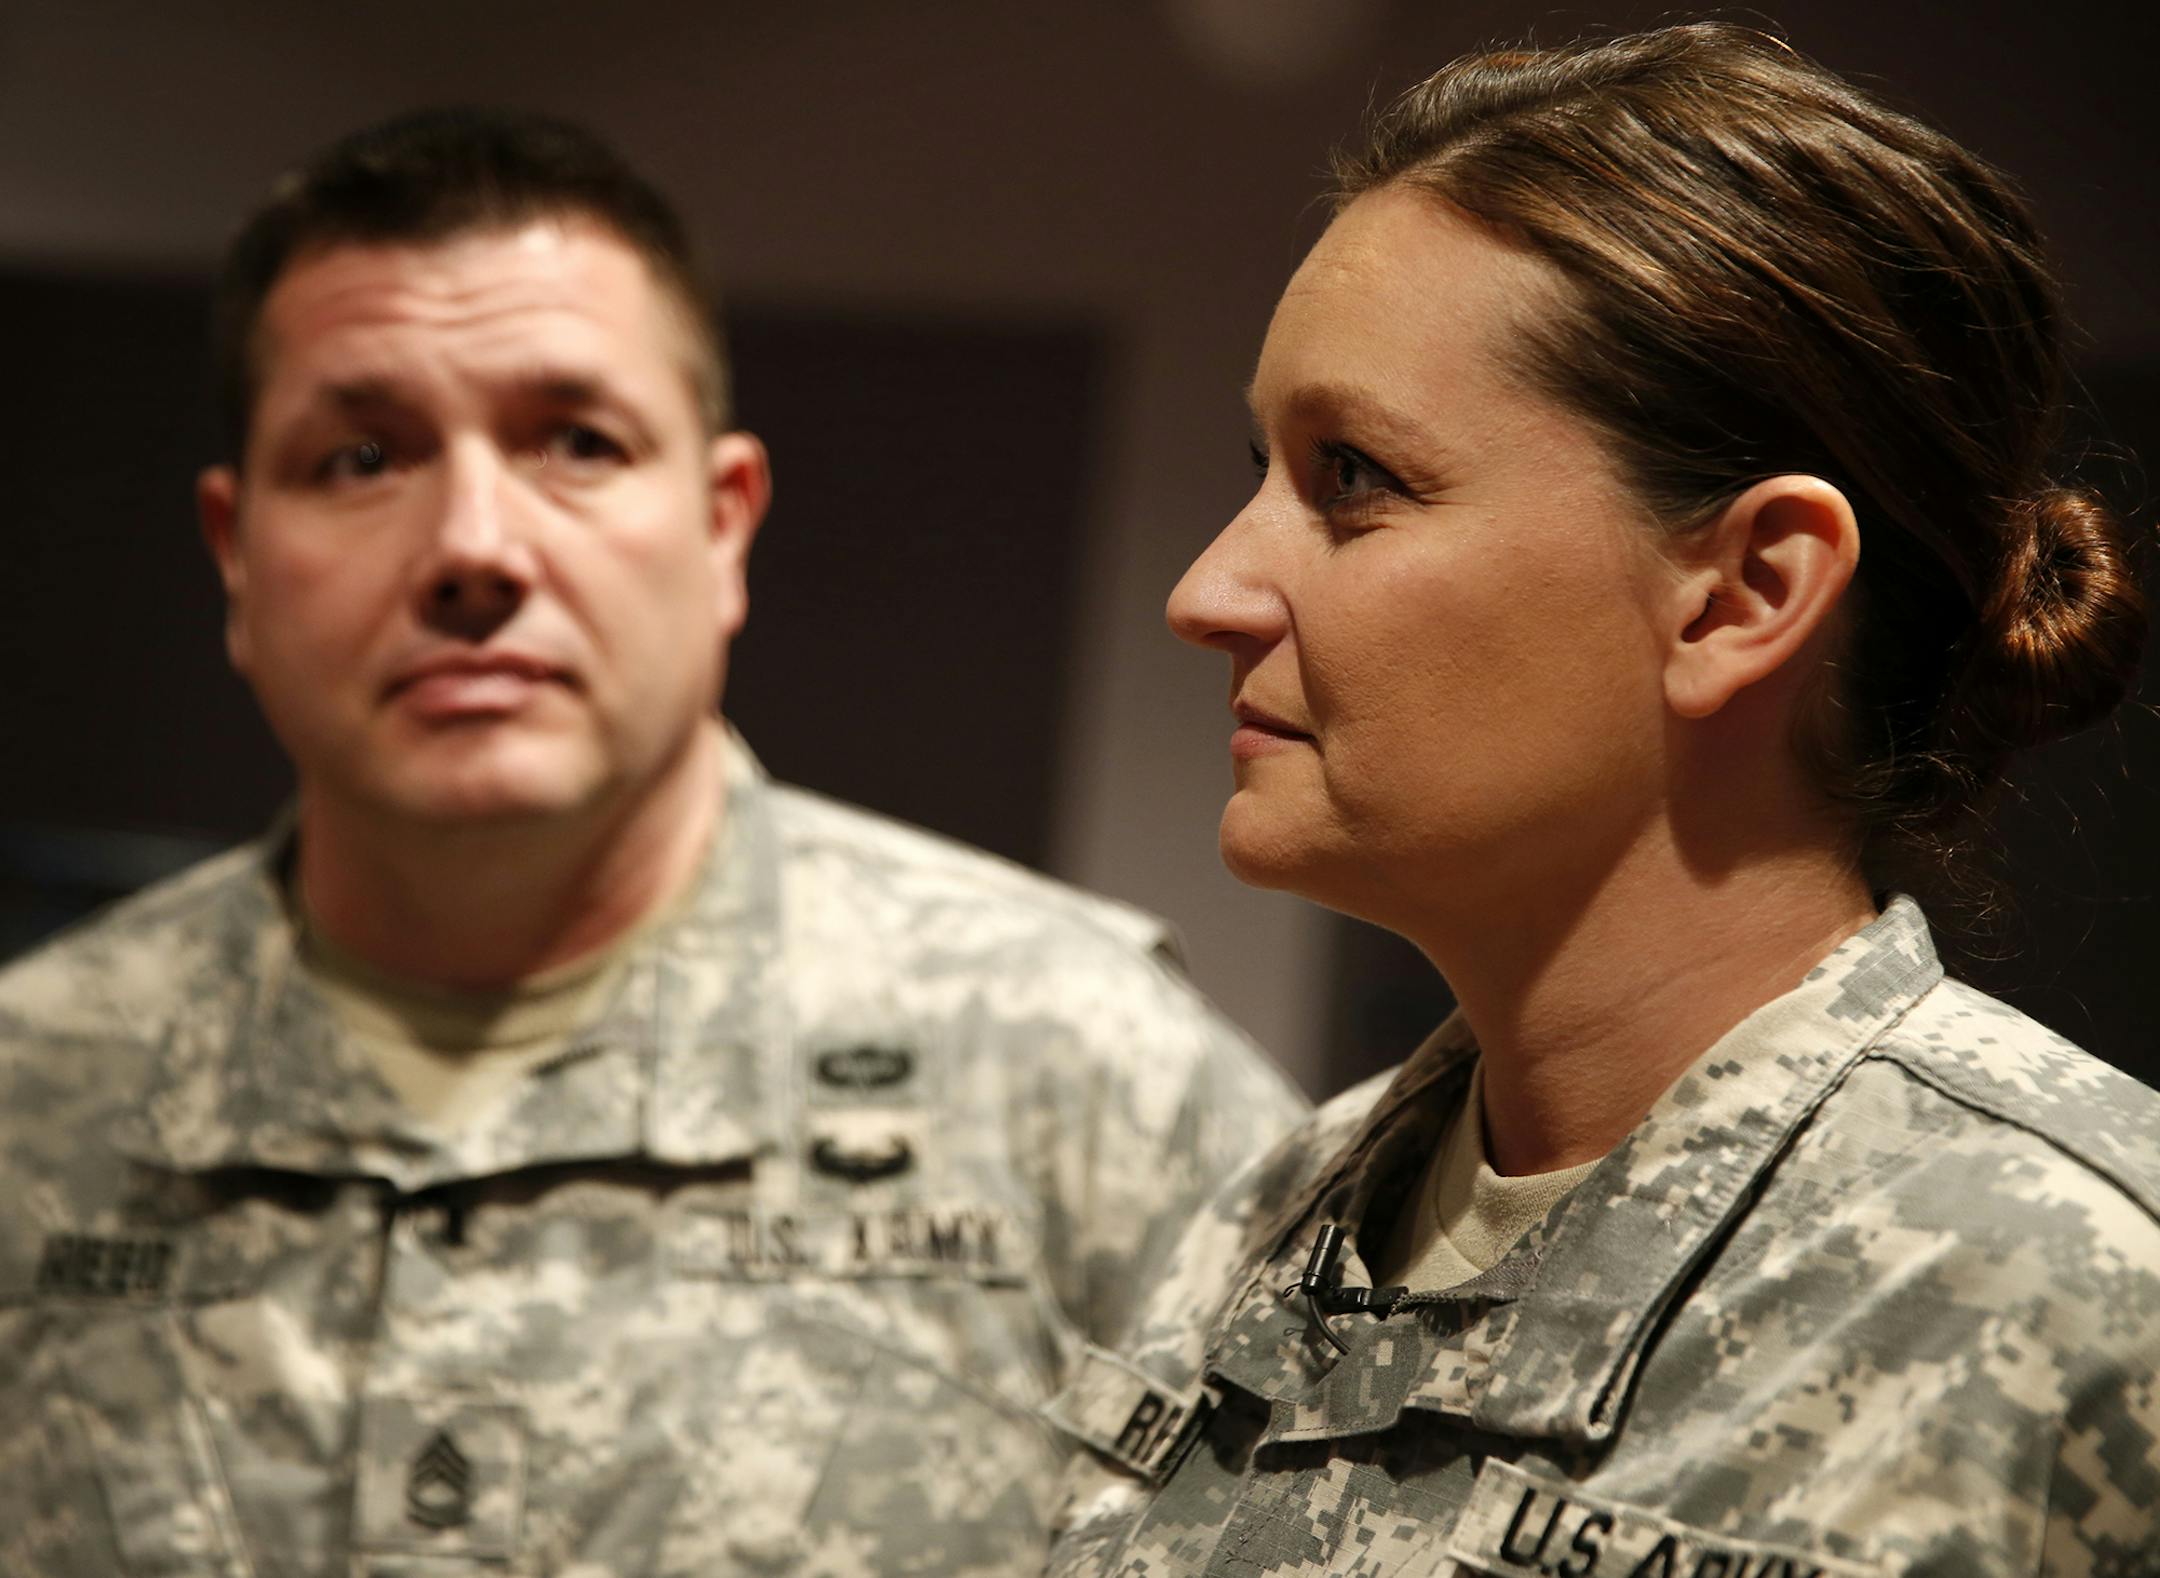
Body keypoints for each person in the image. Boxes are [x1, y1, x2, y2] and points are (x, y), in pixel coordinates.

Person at [0, 108, 1307, 1577]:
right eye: (363, 456)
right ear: (237, 555)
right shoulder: (36, 1094)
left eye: (578, 442)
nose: (472, 548)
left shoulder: (1079, 1079)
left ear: (722, 524)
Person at [1048, 24, 2159, 1578]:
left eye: (1353, 477)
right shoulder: (1257, 1226)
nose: (1208, 590)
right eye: (1263, 470)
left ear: (1743, 594)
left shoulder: (2082, 1282)